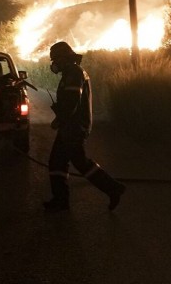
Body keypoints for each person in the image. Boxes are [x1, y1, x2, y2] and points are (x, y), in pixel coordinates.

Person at [43, 41, 126, 212]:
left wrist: (60, 116)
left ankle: (113, 188)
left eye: (55, 59)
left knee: (79, 163)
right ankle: (61, 201)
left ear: (63, 58)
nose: (54, 64)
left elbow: (72, 102)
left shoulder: (74, 73)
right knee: (58, 162)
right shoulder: (71, 72)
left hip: (74, 127)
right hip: (70, 126)